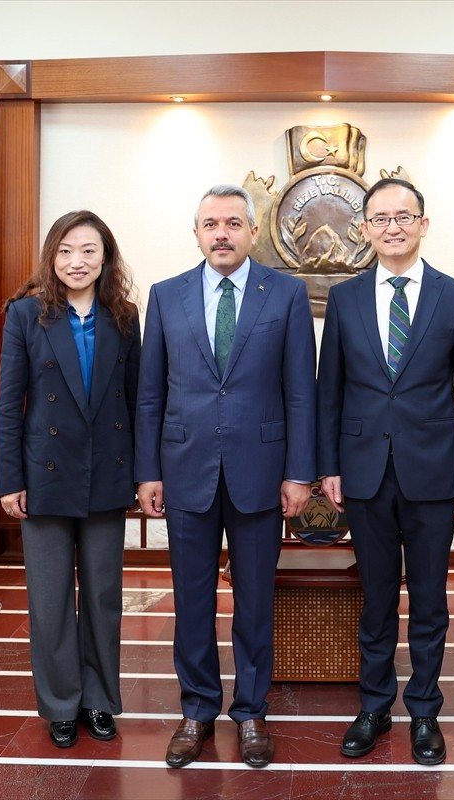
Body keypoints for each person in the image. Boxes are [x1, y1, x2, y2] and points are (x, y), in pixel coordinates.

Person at [134, 184, 316, 769]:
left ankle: (252, 711)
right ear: (196, 233)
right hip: (185, 468)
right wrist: (147, 472)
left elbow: (300, 391)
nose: (222, 234)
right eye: (211, 224)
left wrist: (299, 472)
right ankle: (196, 710)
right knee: (191, 601)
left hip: (261, 471)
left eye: (233, 223)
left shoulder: (286, 293)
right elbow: (150, 393)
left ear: (253, 232)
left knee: (255, 600)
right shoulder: (166, 296)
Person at [316, 177, 454, 766]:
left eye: (404, 217)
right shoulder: (344, 299)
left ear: (423, 224)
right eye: (381, 218)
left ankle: (425, 710)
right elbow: (329, 391)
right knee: (377, 598)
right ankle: (373, 705)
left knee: (431, 600)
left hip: (434, 470)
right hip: (364, 470)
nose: (393, 227)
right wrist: (328, 465)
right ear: (364, 229)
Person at [0, 210, 141, 749]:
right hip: (44, 476)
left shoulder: (123, 316)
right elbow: (8, 404)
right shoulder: (25, 315)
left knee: (103, 596)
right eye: (65, 251)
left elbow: (137, 401)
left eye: (88, 251)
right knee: (50, 599)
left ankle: (98, 699)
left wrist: (143, 475)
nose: (76, 261)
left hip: (107, 473)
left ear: (106, 258)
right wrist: (9, 479)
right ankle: (60, 704)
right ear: (51, 257)